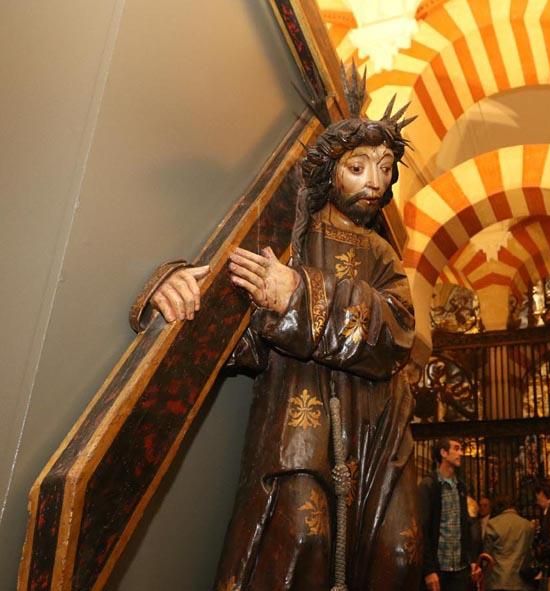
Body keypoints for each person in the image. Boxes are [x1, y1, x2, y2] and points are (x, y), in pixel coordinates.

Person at [135, 68, 421, 590]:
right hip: (300, 419)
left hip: (376, 428)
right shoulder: (291, 236)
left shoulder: (382, 253)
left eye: (385, 168)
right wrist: (171, 288)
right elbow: (233, 332)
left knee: (399, 554)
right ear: (329, 172)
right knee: (301, 537)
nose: (375, 181)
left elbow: (397, 332)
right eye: (358, 167)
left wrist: (299, 295)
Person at [419, 438, 481, 591]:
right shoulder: (429, 485)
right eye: (457, 448)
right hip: (438, 571)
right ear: (443, 453)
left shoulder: (461, 486)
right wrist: (429, 570)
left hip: (460, 569)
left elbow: (465, 526)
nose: (461, 453)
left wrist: (471, 559)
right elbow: (422, 529)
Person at [482, 495, 535, 591]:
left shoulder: (492, 524)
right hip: (522, 581)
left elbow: (487, 555)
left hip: (498, 580)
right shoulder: (527, 525)